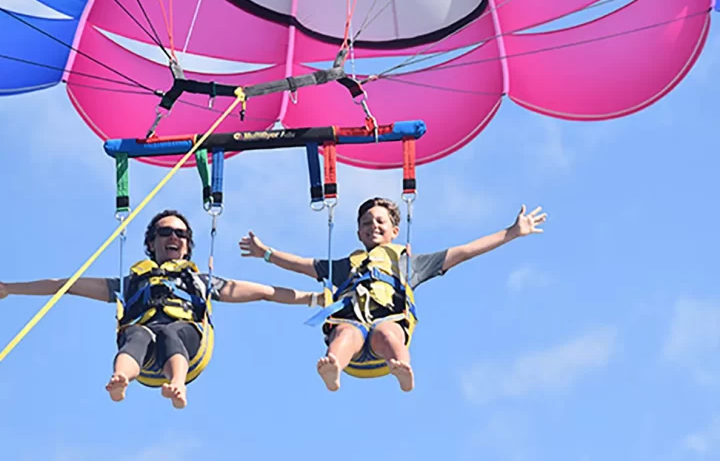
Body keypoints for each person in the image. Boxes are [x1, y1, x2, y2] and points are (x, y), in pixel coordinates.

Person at [0, 209, 323, 409]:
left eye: (181, 234)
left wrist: (313, 298)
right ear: (151, 242)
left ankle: (177, 384)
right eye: (165, 232)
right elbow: (65, 284)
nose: (174, 237)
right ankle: (120, 379)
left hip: (187, 342)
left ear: (187, 244)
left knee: (171, 331)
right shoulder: (129, 284)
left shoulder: (201, 282)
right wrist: (8, 289)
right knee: (137, 333)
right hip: (144, 348)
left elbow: (265, 292)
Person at [239, 198, 547, 393]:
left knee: (387, 333)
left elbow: (464, 251)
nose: (372, 225)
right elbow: (302, 265)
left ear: (394, 231)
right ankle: (334, 367)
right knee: (345, 332)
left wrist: (512, 232)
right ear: (359, 233)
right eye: (365, 223)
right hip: (354, 326)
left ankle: (402, 369)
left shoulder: (409, 263)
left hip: (388, 324)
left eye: (379, 221)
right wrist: (266, 253)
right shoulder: (348, 265)